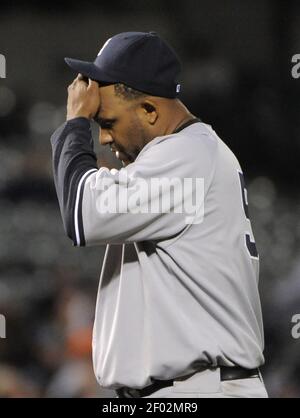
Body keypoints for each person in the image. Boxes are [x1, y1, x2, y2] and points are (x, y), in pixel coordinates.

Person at [50, 31, 268, 398]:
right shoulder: (187, 155)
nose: (103, 138)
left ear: (150, 111)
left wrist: (75, 123)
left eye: (107, 122)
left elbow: (81, 212)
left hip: (198, 390)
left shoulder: (187, 155)